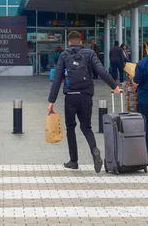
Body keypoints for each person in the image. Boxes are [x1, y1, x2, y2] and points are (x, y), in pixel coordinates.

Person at [48, 31, 121, 173]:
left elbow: (57, 79)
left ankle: (73, 161)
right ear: (81, 41)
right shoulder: (89, 53)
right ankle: (94, 150)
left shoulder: (64, 55)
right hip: (86, 95)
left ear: (69, 42)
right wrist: (115, 86)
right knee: (86, 127)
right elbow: (101, 71)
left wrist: (51, 101)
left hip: (71, 96)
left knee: (70, 128)